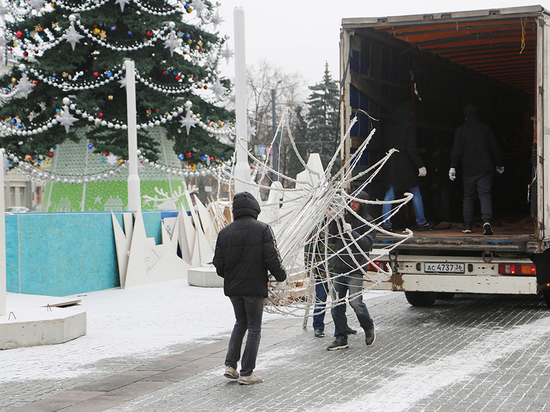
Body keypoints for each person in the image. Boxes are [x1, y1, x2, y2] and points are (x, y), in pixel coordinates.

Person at [213, 191, 287, 385]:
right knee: (254, 327)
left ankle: (231, 365)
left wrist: (230, 276)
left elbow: (218, 264)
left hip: (234, 288)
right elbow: (271, 257)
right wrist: (281, 276)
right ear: (255, 208)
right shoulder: (262, 229)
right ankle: (247, 373)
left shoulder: (224, 232)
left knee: (240, 322)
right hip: (254, 287)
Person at [326, 191, 376, 351]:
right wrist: (333, 220)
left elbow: (367, 244)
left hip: (354, 269)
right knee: (336, 305)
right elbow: (332, 239)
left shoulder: (367, 222)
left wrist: (352, 232)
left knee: (356, 303)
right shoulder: (344, 218)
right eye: (350, 201)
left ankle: (368, 326)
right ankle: (340, 338)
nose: (352, 204)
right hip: (338, 268)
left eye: (356, 202)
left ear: (363, 204)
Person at [449, 104, 504, 235]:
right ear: (476, 115)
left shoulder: (460, 130)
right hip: (485, 168)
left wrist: (453, 166)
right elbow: (494, 147)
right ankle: (486, 221)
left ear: (465, 116)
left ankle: (467, 225)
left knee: (468, 196)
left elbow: (457, 150)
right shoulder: (485, 128)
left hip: (468, 169)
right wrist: (499, 164)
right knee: (484, 194)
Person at [381, 101, 433, 232]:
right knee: (415, 192)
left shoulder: (388, 126)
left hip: (391, 166)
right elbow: (411, 149)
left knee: (389, 195)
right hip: (405, 167)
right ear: (409, 113)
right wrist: (420, 165)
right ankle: (421, 222)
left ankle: (386, 224)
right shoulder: (409, 126)